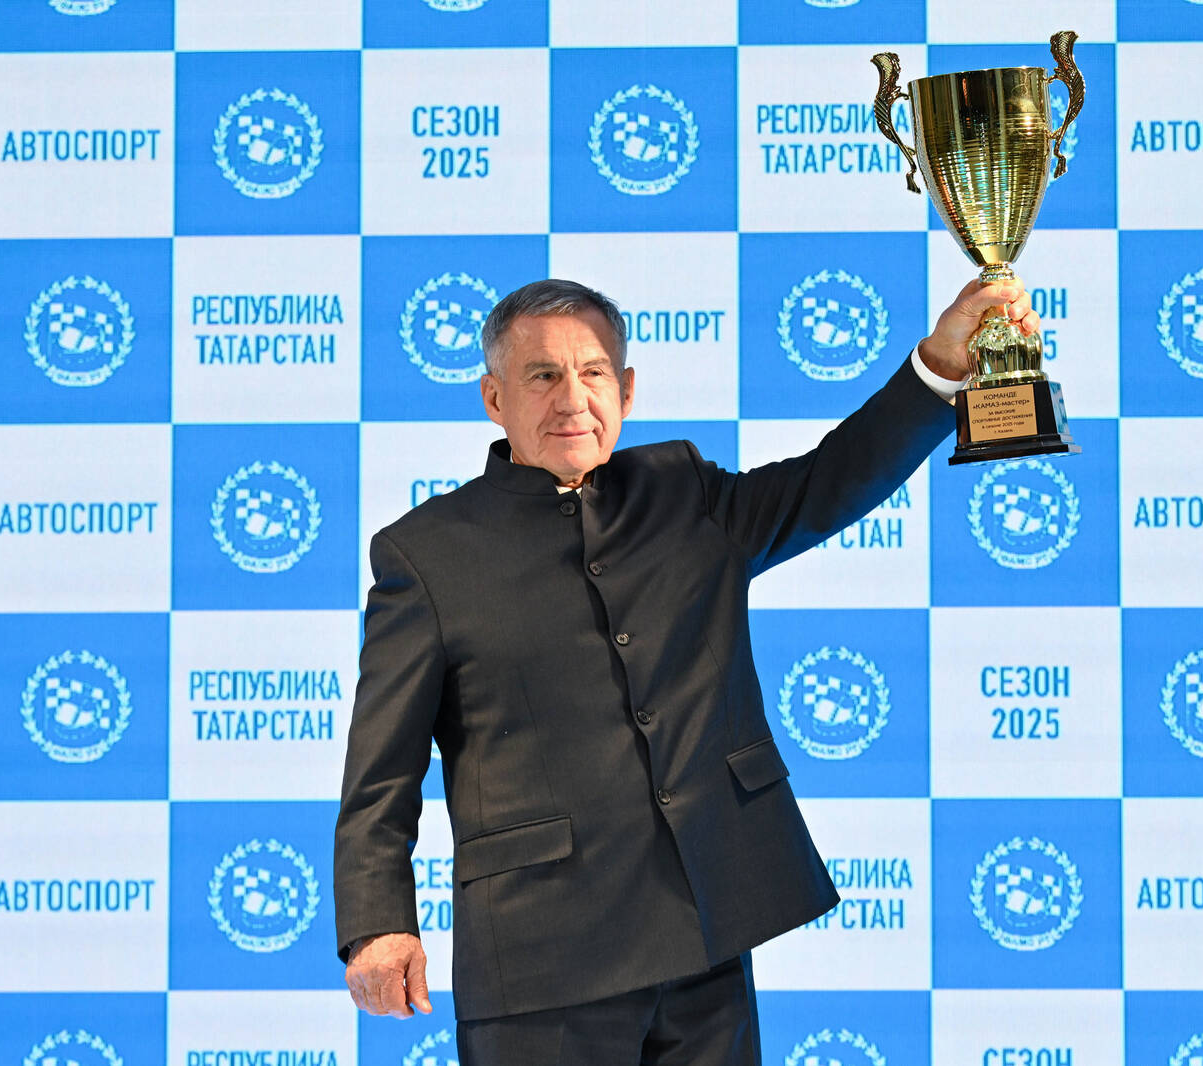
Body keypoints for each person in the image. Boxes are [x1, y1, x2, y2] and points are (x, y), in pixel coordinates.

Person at [335, 276, 1041, 1065]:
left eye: (594, 372)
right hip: (540, 963)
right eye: (543, 375)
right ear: (494, 398)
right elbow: (381, 771)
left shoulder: (682, 493)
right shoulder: (425, 555)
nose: (573, 399)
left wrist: (942, 363)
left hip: (705, 938)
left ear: (626, 391)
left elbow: (830, 480)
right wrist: (378, 923)